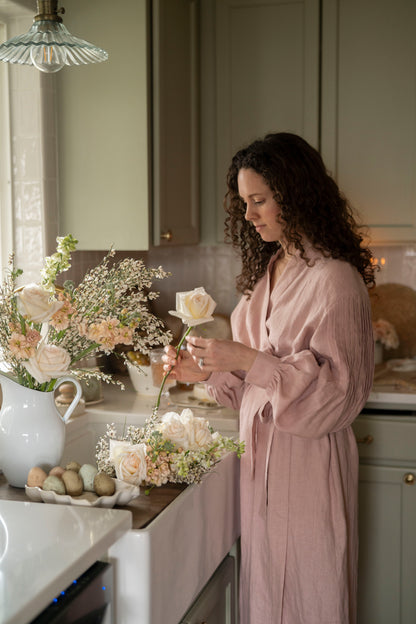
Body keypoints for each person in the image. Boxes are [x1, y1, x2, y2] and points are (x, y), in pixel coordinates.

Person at [163, 132, 375, 624]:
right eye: (244, 203)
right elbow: (251, 389)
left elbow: (337, 398)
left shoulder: (335, 281)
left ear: (295, 195)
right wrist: (208, 370)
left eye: (259, 200)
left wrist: (248, 358)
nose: (249, 214)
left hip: (308, 468)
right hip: (260, 471)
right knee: (264, 599)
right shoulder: (270, 271)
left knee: (310, 593)